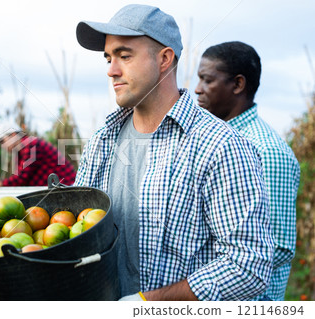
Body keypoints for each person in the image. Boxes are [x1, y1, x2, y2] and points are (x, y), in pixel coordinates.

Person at [74, 4, 274, 301]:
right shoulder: (103, 140)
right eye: (108, 58)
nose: (111, 70)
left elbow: (248, 264)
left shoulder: (220, 146)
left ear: (165, 59)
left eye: (125, 56)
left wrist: (148, 303)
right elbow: (77, 227)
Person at [195, 41, 300, 301]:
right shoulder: (213, 143)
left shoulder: (267, 152)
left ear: (238, 85)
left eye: (207, 80)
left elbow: (275, 247)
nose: (197, 90)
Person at [0, 123, 76, 186]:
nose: (3, 146)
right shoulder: (20, 152)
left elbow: (21, 179)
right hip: (58, 188)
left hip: (67, 187)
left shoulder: (31, 145)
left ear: (13, 135)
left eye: (2, 141)